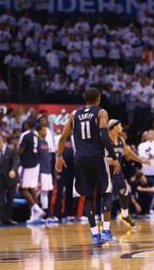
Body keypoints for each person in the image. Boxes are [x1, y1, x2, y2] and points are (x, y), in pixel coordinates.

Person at [55, 88, 120, 245]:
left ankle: (95, 234)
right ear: (98, 98)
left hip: (80, 159)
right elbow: (104, 136)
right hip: (97, 157)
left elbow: (63, 137)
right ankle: (105, 231)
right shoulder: (101, 112)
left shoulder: (73, 115)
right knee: (106, 192)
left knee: (88, 196)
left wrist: (59, 156)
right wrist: (114, 156)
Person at [107, 119, 148, 228]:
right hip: (106, 172)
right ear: (114, 127)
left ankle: (124, 215)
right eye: (120, 125)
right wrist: (107, 160)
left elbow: (129, 154)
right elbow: (97, 156)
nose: (121, 128)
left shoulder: (121, 140)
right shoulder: (105, 140)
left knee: (125, 192)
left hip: (118, 172)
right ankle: (104, 224)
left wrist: (142, 160)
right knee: (108, 196)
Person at [18, 119, 44, 223]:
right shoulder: (36, 135)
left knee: (22, 189)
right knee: (32, 189)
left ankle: (36, 208)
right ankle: (34, 215)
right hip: (35, 164)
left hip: (27, 165)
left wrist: (16, 152)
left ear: (28, 125)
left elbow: (20, 151)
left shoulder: (25, 134)